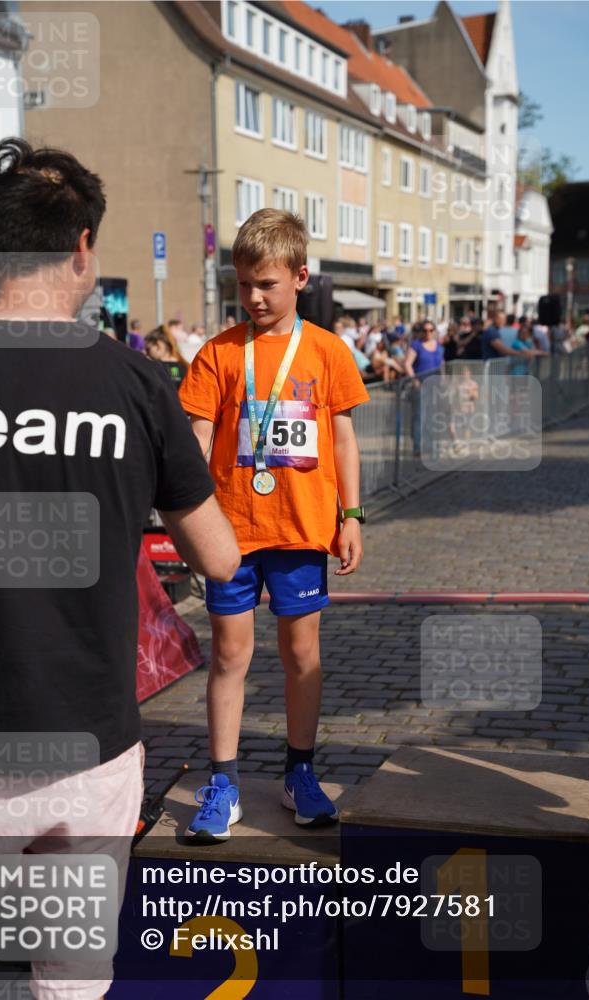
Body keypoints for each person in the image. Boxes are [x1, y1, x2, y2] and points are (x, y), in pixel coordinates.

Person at [0, 137, 241, 1000]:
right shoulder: (136, 384)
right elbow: (219, 556)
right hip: (88, 748)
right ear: (82, 247)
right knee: (68, 985)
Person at [179, 208, 369, 842]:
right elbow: (198, 438)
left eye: (267, 284)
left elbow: (343, 439)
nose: (254, 296)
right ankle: (223, 783)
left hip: (301, 529)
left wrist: (351, 515)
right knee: (230, 654)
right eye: (244, 284)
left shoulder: (328, 350)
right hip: (231, 534)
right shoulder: (219, 353)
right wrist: (190, 516)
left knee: (302, 655)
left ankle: (300, 773)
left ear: (300, 278)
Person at [405, 319, 445, 456]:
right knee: (419, 416)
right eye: (425, 330)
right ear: (421, 332)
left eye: (430, 330)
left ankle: (431, 445)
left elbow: (441, 363)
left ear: (434, 331)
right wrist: (414, 380)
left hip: (435, 386)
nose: (428, 333)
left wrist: (443, 379)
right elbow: (407, 364)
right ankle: (417, 446)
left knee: (432, 416)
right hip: (421, 385)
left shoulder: (438, 345)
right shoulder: (416, 345)